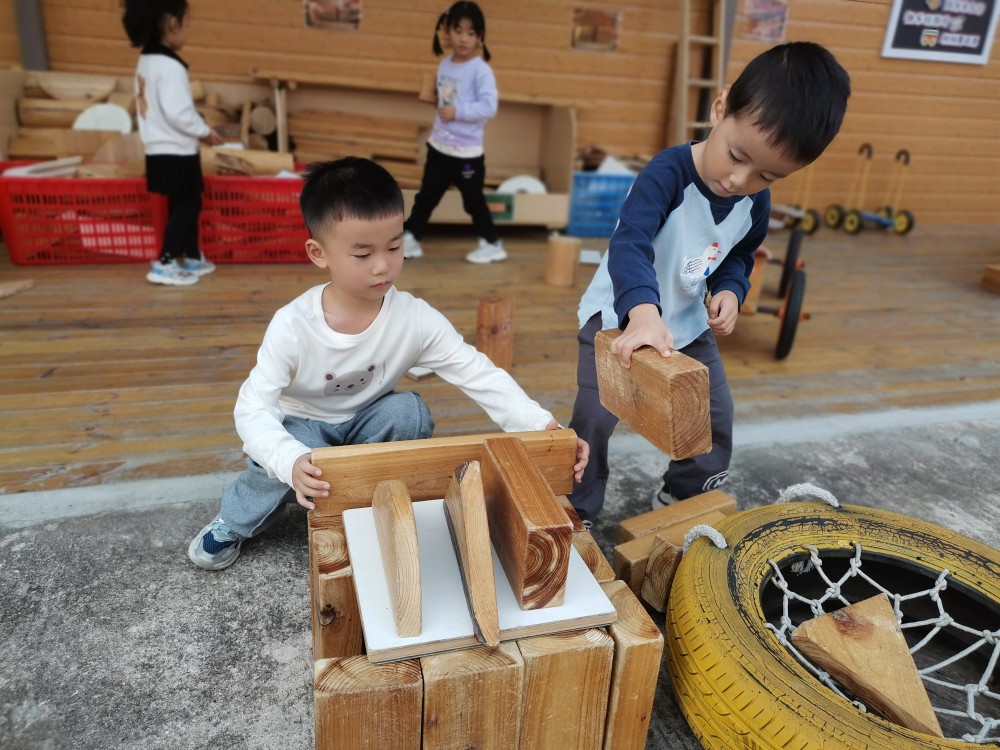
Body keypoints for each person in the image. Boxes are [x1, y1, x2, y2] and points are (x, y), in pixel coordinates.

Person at [188, 157, 589, 570]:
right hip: (303, 426)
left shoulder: (414, 318)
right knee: (279, 448)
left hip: (367, 424)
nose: (383, 265)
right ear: (318, 253)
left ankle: (367, 502)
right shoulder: (293, 325)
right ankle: (236, 520)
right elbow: (252, 407)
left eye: (395, 247)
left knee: (408, 411)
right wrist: (286, 457)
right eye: (363, 253)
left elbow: (476, 372)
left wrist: (542, 425)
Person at [568, 42, 850, 524]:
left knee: (715, 415)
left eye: (766, 175)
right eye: (736, 155)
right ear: (720, 108)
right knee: (594, 418)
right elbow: (630, 241)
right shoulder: (668, 173)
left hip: (687, 324)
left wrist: (731, 290)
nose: (740, 180)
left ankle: (683, 495)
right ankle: (578, 508)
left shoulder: (754, 202)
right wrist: (643, 314)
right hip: (619, 317)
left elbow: (738, 254)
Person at [122, 0, 223, 287]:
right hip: (176, 149)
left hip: (158, 147)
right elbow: (178, 113)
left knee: (186, 203)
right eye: (187, 23)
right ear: (173, 24)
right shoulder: (171, 66)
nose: (187, 30)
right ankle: (165, 262)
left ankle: (191, 256)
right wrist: (204, 131)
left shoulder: (147, 60)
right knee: (188, 204)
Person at [401, 1, 506, 265]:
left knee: (473, 201)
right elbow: (447, 98)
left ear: (479, 37)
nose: (463, 38)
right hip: (439, 146)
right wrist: (437, 100)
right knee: (426, 196)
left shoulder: (481, 70)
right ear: (447, 32)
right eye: (458, 31)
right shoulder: (445, 64)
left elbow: (489, 106)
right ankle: (411, 237)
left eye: (471, 33)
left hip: (466, 153)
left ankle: (492, 244)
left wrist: (456, 111)